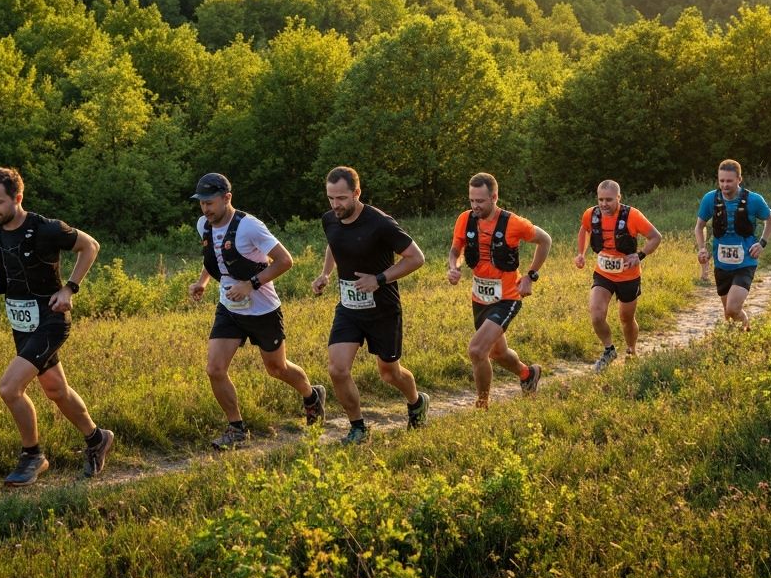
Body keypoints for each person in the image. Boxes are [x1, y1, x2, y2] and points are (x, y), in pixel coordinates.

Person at [0, 167, 113, 487]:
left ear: (18, 198)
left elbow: (91, 246)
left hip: (51, 319)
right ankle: (97, 439)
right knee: (55, 389)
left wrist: (69, 288)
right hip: (21, 321)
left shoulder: (45, 228)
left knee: (9, 388)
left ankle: (33, 456)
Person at [188, 172, 325, 448]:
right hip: (229, 307)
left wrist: (250, 284)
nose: (205, 209)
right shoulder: (204, 224)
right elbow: (214, 256)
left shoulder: (250, 227)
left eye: (210, 202)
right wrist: (202, 282)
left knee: (276, 368)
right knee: (215, 368)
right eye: (201, 203)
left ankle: (311, 396)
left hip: (262, 308)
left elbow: (285, 261)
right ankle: (236, 428)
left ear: (227, 198)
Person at [311, 166, 429, 444]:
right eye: (330, 198)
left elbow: (416, 258)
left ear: (357, 193)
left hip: (383, 309)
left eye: (341, 198)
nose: (335, 205)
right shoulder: (330, 220)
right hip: (349, 309)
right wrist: (325, 274)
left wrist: (380, 278)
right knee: (337, 369)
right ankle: (358, 428)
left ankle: (416, 401)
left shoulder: (380, 223)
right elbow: (334, 244)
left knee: (390, 373)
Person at [447, 172, 551, 407]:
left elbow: (545, 240)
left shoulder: (513, 223)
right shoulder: (465, 219)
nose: (475, 206)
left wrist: (530, 276)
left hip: (507, 297)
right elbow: (456, 250)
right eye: (472, 200)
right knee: (498, 353)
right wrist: (454, 267)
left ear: (494, 197)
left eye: (480, 201)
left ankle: (482, 404)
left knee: (476, 350)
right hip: (480, 298)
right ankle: (528, 374)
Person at [574, 180, 661, 371]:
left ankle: (631, 349)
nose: (604, 204)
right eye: (601, 199)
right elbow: (585, 229)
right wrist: (581, 253)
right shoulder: (591, 214)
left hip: (628, 276)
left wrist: (639, 255)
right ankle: (609, 350)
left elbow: (656, 237)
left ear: (619, 198)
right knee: (596, 314)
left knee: (626, 318)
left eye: (609, 200)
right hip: (603, 273)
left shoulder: (632, 216)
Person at [694, 159, 771, 330]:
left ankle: (747, 327)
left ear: (739, 179)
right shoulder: (710, 199)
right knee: (728, 314)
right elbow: (699, 226)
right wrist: (702, 247)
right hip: (722, 264)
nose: (725, 185)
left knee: (733, 308)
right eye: (721, 180)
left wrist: (762, 243)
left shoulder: (754, 200)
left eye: (729, 181)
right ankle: (738, 342)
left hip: (745, 263)